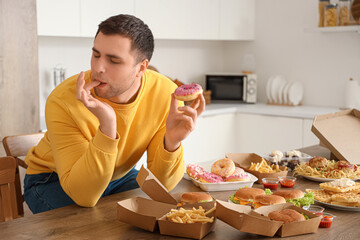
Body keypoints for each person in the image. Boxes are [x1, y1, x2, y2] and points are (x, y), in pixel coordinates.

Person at [24, 14, 205, 214]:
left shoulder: (165, 94)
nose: (98, 68)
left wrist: (171, 143)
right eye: (96, 55)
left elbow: (162, 186)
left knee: (160, 212)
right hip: (52, 178)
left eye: (114, 61)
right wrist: (107, 126)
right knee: (97, 229)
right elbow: (84, 195)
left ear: (141, 68)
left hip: (117, 176)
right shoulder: (64, 100)